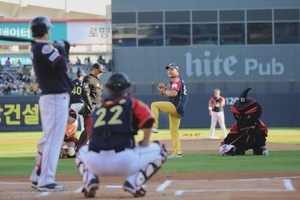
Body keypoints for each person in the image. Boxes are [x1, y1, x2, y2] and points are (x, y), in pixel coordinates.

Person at [75, 72, 167, 198]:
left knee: (80, 151)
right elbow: (149, 119)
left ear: (107, 89)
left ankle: (90, 180)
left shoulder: (98, 106)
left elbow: (90, 132)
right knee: (161, 150)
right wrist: (145, 142)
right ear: (128, 88)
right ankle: (134, 182)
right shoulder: (132, 102)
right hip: (124, 160)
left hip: (96, 162)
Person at [28, 16, 73, 192]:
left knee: (48, 139)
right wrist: (61, 48)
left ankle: (38, 176)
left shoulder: (37, 48)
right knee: (54, 141)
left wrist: (64, 49)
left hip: (51, 97)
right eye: (48, 29)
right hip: (55, 97)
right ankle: (46, 180)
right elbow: (61, 63)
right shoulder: (42, 47)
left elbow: (63, 64)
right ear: (44, 30)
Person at [151, 63, 187, 158]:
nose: (169, 71)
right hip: (180, 108)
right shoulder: (177, 80)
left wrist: (164, 92)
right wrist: (166, 91)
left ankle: (154, 126)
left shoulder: (176, 80)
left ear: (177, 71)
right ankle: (177, 153)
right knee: (174, 131)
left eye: (172, 69)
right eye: (168, 70)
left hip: (175, 106)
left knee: (154, 105)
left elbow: (174, 93)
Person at [219, 88, 268, 156]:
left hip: (254, 140)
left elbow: (264, 132)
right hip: (242, 142)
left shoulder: (257, 122)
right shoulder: (238, 124)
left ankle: (258, 149)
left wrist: (255, 131)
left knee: (259, 138)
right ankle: (239, 150)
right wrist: (225, 143)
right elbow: (232, 134)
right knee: (238, 142)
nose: (242, 118)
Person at [76, 63, 106, 151]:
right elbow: (86, 94)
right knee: (88, 130)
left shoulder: (98, 81)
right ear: (95, 70)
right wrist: (91, 106)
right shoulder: (88, 79)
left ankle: (94, 148)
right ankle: (79, 149)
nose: (100, 74)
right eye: (100, 72)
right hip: (90, 108)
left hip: (98, 108)